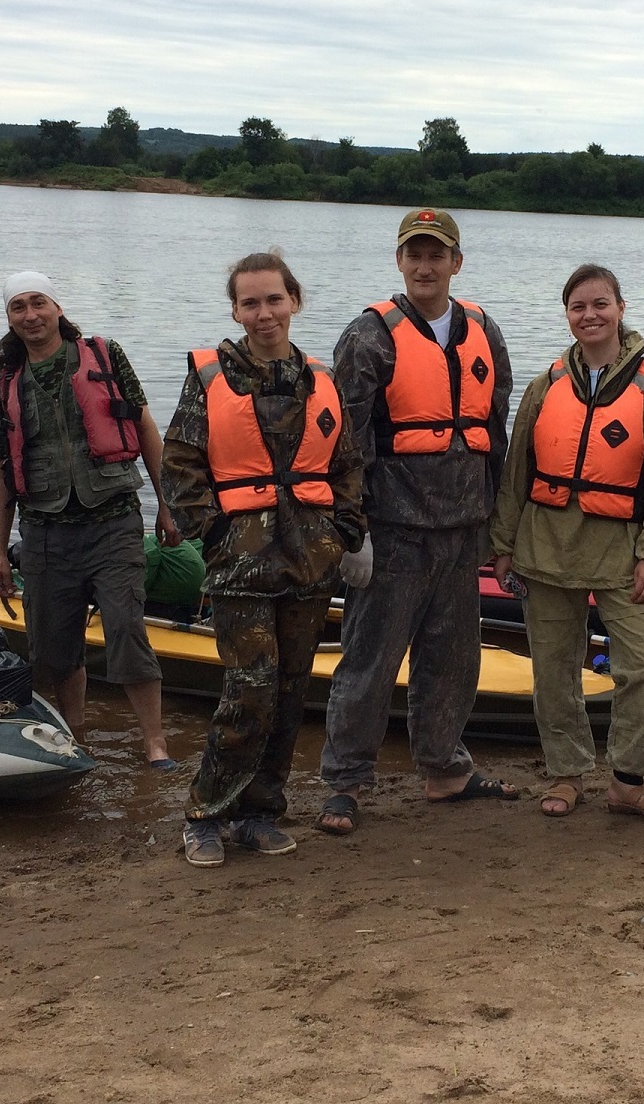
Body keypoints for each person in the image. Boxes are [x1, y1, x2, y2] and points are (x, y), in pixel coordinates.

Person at [162, 251, 366, 868]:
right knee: (248, 693)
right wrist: (213, 534)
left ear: (293, 301)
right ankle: (206, 814)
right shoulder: (210, 378)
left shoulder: (321, 379)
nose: (264, 313)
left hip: (310, 562)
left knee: (290, 693)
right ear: (235, 311)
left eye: (274, 299)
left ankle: (259, 813)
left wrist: (345, 533)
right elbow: (180, 465)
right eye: (250, 303)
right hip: (240, 565)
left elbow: (346, 465)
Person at [318, 208, 518, 835]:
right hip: (393, 530)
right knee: (369, 662)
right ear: (399, 261)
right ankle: (345, 782)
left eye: (437, 255)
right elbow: (344, 442)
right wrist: (352, 531)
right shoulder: (367, 336)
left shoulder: (485, 330)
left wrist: (500, 527)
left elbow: (495, 431)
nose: (425, 266)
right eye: (415, 254)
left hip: (464, 528)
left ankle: (444, 768)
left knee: (453, 659)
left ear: (456, 262)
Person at [490, 264, 644, 821]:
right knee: (554, 668)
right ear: (567, 315)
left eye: (601, 304)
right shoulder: (546, 385)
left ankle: (627, 779)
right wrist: (503, 545)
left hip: (623, 550)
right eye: (578, 307)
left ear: (621, 308)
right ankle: (566, 772)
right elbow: (516, 470)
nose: (590, 315)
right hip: (545, 546)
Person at [0, 271, 176, 759]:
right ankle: (76, 737)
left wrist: (168, 505)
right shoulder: (5, 383)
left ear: (57, 308)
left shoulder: (105, 355)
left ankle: (155, 743)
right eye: (18, 307)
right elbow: (1, 472)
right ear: (9, 318)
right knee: (54, 648)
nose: (31, 315)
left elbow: (146, 429)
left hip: (114, 521)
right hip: (45, 533)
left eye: (38, 303)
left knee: (126, 629)